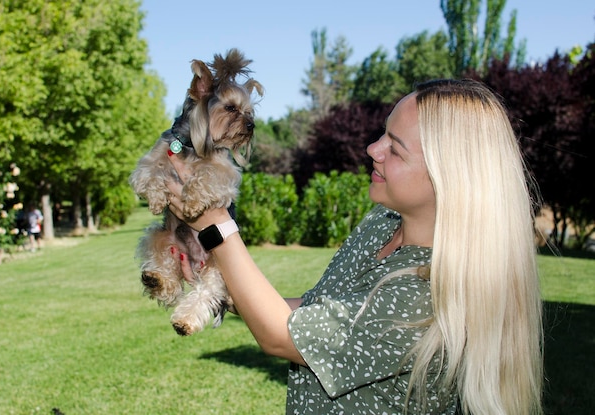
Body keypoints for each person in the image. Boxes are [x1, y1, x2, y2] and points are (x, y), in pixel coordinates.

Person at [166, 79, 544, 414]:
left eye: (395, 149)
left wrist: (215, 225)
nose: (372, 148)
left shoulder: (430, 293)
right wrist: (223, 292)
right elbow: (315, 311)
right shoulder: (382, 224)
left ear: (450, 179)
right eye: (383, 134)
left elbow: (282, 335)